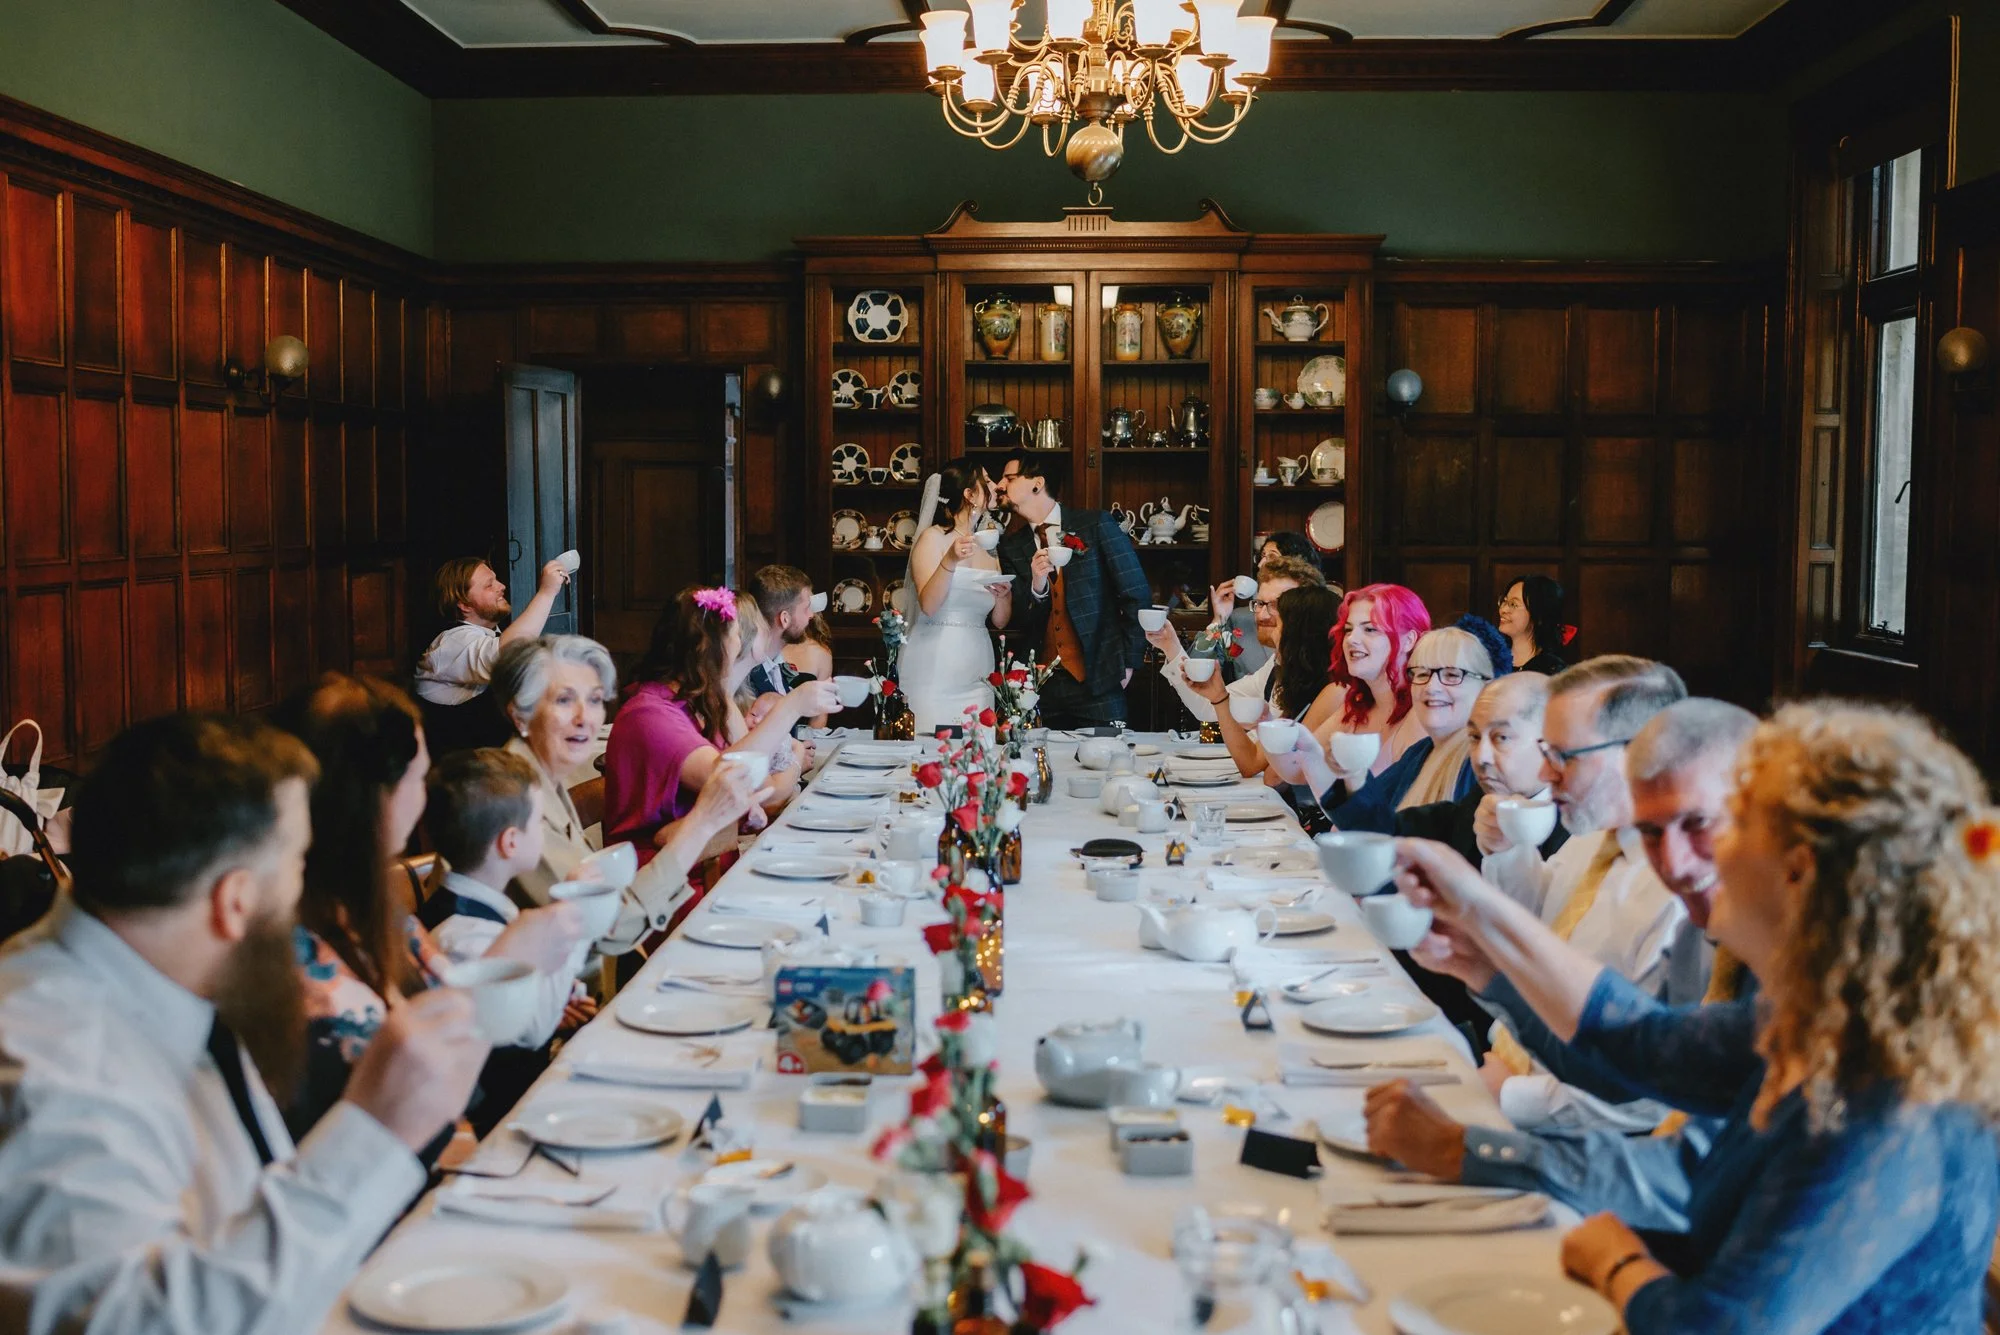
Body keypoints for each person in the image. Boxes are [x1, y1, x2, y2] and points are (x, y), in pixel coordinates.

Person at [1384, 702, 2000, 1332]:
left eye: (1737, 824)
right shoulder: (1820, 1017)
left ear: (1798, 871)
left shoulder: (1888, 1105)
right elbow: (1639, 1045)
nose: (1691, 860)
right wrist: (1480, 931)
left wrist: (1617, 1262)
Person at [0, 714, 489, 1335]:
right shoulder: (54, 1063)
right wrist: (372, 1133)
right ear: (235, 902)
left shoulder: (167, 970)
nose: (301, 890)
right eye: (294, 864)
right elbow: (139, 1323)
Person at [1369, 698, 1761, 1227]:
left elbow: (1690, 1173)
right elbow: (1639, 1056)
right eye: (1649, 833)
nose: (1671, 862)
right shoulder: (1622, 863)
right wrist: (1488, 971)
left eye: (1699, 824)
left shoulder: (1813, 991)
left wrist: (1465, 1148)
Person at [274, 674, 585, 1153]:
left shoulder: (378, 913)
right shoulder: (301, 949)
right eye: (419, 777)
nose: (423, 796)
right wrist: (512, 958)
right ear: (378, 793)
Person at [1470, 655, 1690, 1133]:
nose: (1545, 775)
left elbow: (1650, 1098)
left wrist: (1505, 1097)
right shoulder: (1594, 828)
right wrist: (1507, 851)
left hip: (1570, 1135)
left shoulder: (1681, 892)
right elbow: (1539, 928)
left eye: (1564, 756)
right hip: (1505, 1060)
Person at [493, 631, 770, 944]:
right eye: (564, 700)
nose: (586, 718)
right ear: (520, 715)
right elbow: (609, 932)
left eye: (595, 700)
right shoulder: (514, 801)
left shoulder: (537, 775)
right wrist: (702, 822)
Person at [994, 450, 1150, 729]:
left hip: (1100, 682)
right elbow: (1019, 617)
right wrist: (1037, 585)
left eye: (1008, 478)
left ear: (1037, 484)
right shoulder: (1010, 546)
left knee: (1107, 767)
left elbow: (1136, 594)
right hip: (1039, 689)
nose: (999, 485)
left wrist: (1129, 664)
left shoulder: (1096, 524)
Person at [1312, 621, 1507, 830]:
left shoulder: (1481, 765)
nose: (1432, 687)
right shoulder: (1420, 752)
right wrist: (1352, 774)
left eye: (1452, 675)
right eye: (1422, 674)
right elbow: (1371, 824)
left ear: (1486, 687)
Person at [1394, 670, 1567, 866]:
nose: (1480, 757)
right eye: (1475, 737)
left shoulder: (1580, 826)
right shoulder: (1475, 807)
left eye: (1501, 737)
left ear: (1552, 742)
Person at [414, 556, 570, 757]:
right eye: (489, 585)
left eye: (496, 580)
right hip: (461, 777)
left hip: (497, 765)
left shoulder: (488, 636)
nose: (502, 586)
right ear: (465, 605)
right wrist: (547, 592)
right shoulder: (451, 643)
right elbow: (508, 656)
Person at [901, 461, 1015, 735]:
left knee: (977, 750)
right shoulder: (933, 538)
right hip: (935, 666)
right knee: (930, 749)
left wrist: (1003, 596)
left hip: (978, 667)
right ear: (969, 494)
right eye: (986, 480)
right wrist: (950, 560)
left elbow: (999, 621)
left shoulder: (987, 546)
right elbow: (928, 605)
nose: (995, 485)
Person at [1149, 555, 1325, 726]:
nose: (1262, 615)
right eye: (1260, 604)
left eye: (1275, 605)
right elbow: (1207, 706)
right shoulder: (1273, 667)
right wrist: (1171, 646)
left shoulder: (1325, 673)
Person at [1312, 583, 1432, 776]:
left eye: (1370, 629)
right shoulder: (1359, 705)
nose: (1351, 639)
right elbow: (1299, 770)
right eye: (1348, 630)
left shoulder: (1423, 711)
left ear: (1409, 641)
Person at [1197, 531, 1323, 677]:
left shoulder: (1317, 623)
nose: (1262, 564)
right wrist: (1218, 619)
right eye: (1262, 556)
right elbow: (1197, 673)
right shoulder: (1240, 620)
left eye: (1272, 557)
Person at [744, 565, 819, 700]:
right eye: (807, 608)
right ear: (785, 618)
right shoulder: (746, 681)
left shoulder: (776, 664)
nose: (811, 615)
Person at [1498, 574, 1570, 675]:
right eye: (1504, 601)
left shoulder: (1552, 671)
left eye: (1513, 604)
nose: (1503, 609)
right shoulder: (1491, 660)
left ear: (1539, 615)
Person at [783, 615, 836, 727]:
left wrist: (807, 742)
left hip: (803, 735)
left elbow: (820, 713)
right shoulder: (764, 647)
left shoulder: (821, 653)